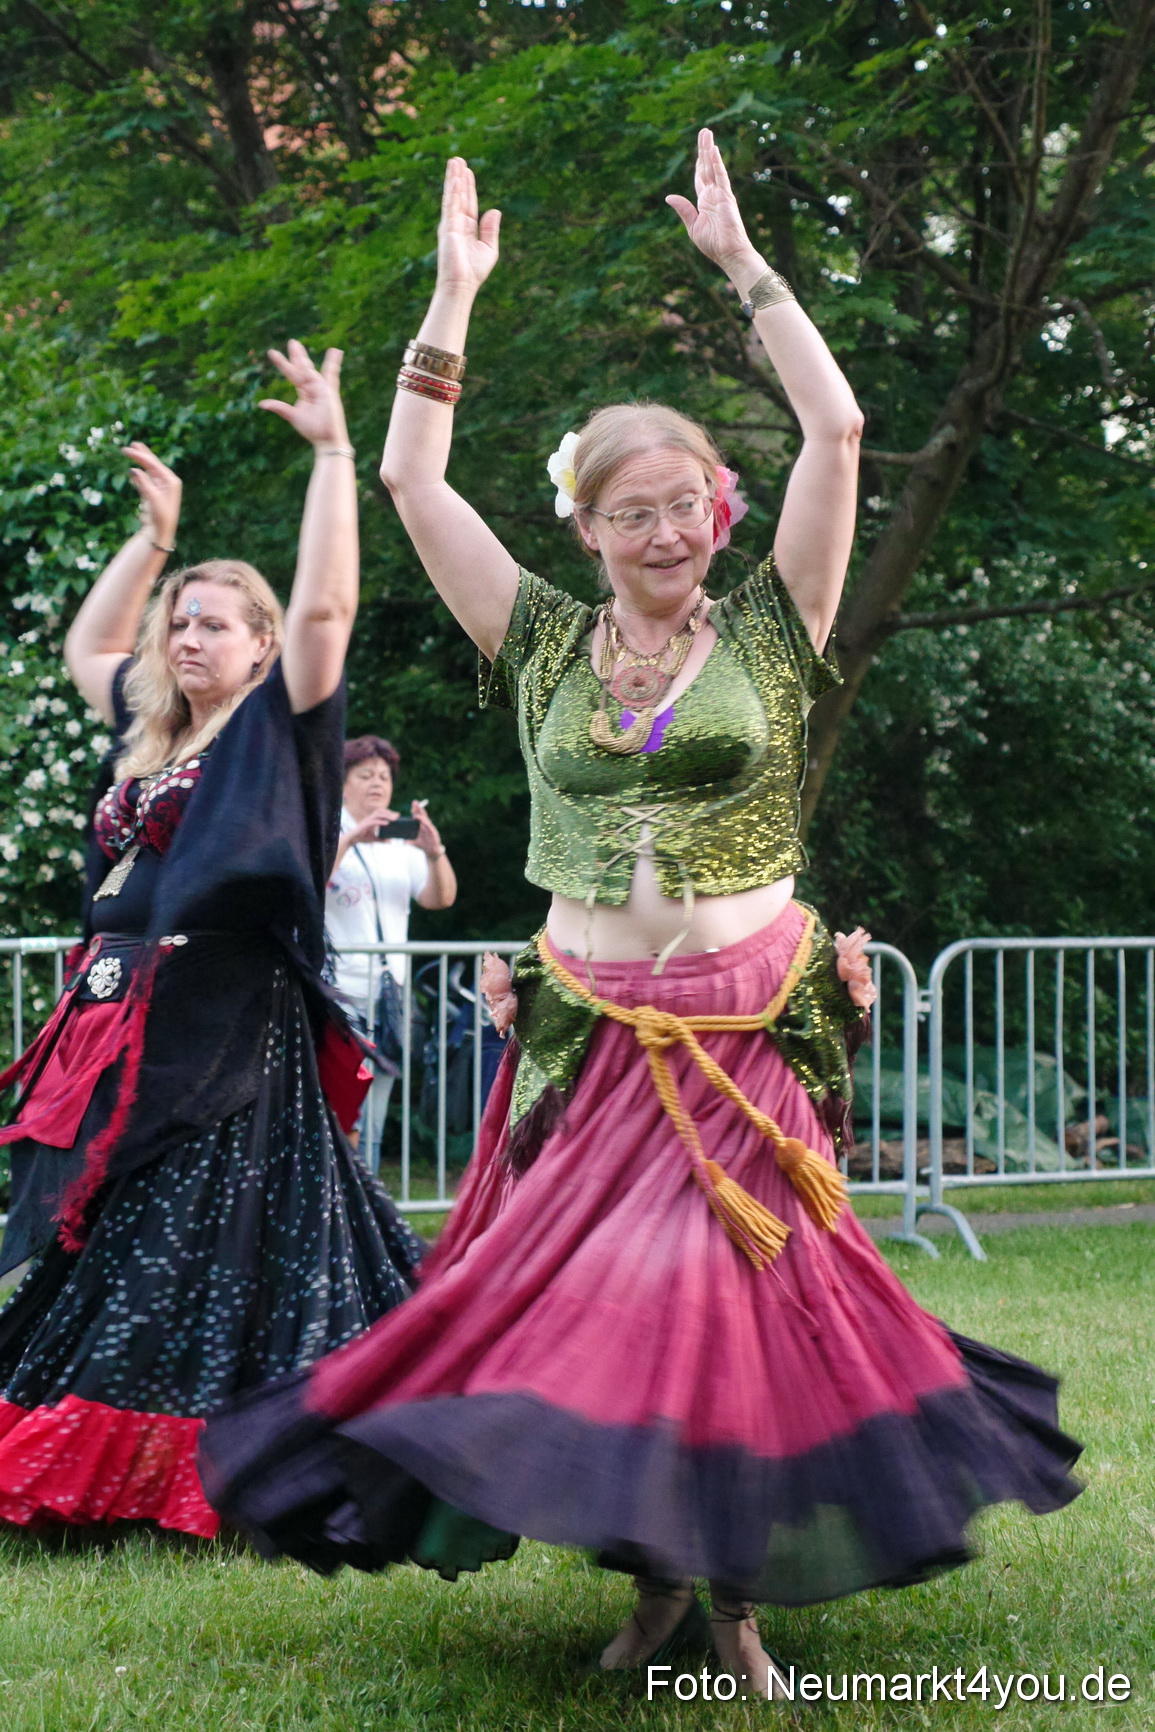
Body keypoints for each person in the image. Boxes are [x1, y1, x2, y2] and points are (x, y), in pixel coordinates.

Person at [199, 137, 1081, 1688]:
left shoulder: (775, 624)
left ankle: (723, 1609)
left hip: (738, 1019)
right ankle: (658, 1581)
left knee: (722, 1309)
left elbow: (840, 422)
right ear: (586, 530)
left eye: (688, 507)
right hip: (581, 1029)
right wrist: (450, 298)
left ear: (717, 516)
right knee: (599, 1314)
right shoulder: (534, 642)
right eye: (635, 514)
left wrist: (743, 272)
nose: (668, 534)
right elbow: (409, 477)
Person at [0, 342, 423, 1539]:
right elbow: (91, 649)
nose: (188, 638)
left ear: (259, 645)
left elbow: (331, 603)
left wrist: (335, 454)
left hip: (229, 1033)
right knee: (114, 1225)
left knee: (204, 1232)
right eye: (181, 621)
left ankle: (217, 1453)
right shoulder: (150, 739)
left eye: (216, 625)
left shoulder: (274, 732)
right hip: (126, 1019)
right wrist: (153, 541)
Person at [325, 735, 457, 1161]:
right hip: (341, 993)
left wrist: (435, 854)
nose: (377, 783)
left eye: (384, 776)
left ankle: (367, 1200)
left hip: (389, 999)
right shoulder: (328, 830)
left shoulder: (401, 843)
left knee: (376, 1109)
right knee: (343, 1104)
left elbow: (440, 899)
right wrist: (351, 840)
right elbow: (307, 882)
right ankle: (337, 1198)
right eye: (365, 775)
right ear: (343, 784)